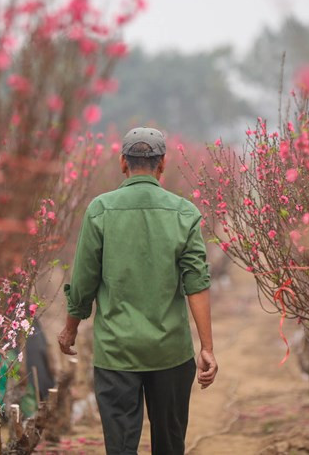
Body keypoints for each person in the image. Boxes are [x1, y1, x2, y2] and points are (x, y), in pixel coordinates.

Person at [58, 126, 218, 455]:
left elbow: (84, 280)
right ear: (163, 164)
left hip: (116, 353)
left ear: (122, 162)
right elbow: (196, 283)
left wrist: (69, 329)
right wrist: (207, 347)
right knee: (170, 444)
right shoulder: (184, 213)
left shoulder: (100, 210)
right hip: (170, 352)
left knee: (120, 447)